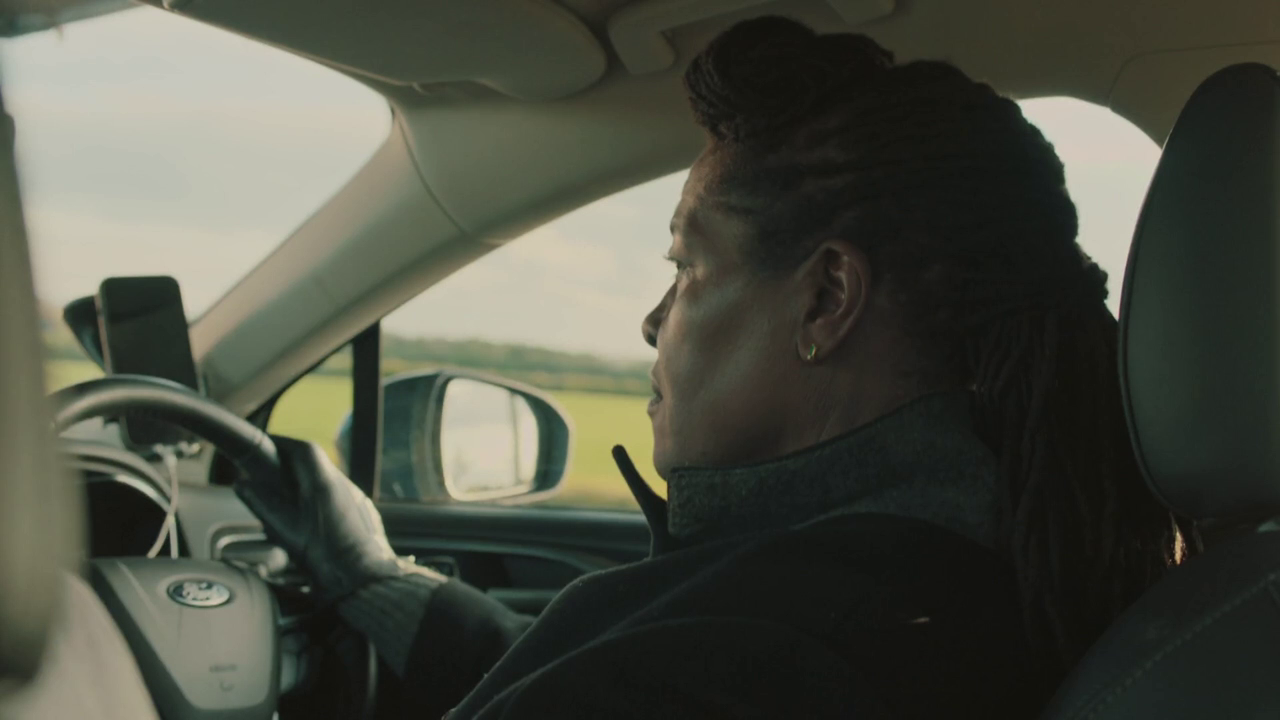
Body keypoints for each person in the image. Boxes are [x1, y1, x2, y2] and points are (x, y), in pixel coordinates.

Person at [238, 16, 1189, 719]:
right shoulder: (970, 581)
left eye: (687, 267)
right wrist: (373, 578)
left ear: (825, 299)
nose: (655, 322)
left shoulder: (760, 660)